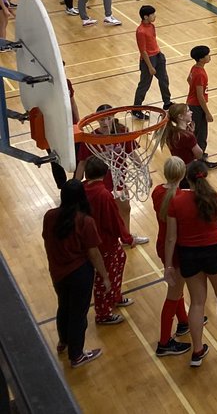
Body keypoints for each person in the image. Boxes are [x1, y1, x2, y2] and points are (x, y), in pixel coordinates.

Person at [164, 160, 217, 366]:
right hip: (214, 253)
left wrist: (168, 265)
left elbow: (171, 238)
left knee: (197, 303)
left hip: (188, 256)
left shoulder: (176, 202)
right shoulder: (216, 198)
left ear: (187, 178)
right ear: (205, 175)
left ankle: (197, 351)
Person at [43, 179, 108, 368]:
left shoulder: (49, 216)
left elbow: (47, 239)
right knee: (78, 314)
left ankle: (63, 341)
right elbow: (94, 253)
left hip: (57, 271)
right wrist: (105, 276)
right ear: (82, 197)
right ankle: (77, 355)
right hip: (79, 273)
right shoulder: (85, 221)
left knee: (63, 306)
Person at [82, 156, 132, 326]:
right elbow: (114, 219)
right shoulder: (103, 194)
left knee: (121, 259)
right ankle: (103, 314)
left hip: (94, 240)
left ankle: (115, 296)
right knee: (105, 276)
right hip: (104, 242)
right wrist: (126, 236)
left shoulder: (83, 189)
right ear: (105, 174)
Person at [151, 156, 191, 356]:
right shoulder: (180, 198)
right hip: (174, 249)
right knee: (173, 294)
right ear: (183, 174)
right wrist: (168, 265)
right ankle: (164, 342)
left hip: (163, 244)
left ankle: (184, 322)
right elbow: (173, 236)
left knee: (177, 287)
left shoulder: (157, 191)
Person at [132, 4, 170, 119]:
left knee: (164, 80)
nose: (154, 16)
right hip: (148, 60)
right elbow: (143, 51)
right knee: (144, 85)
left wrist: (159, 54)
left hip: (158, 56)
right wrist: (150, 66)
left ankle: (167, 102)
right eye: (152, 14)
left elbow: (153, 41)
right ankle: (136, 109)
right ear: (145, 16)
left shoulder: (152, 26)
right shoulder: (140, 31)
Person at [186, 45, 217, 165]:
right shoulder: (200, 74)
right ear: (201, 59)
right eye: (207, 55)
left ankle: (197, 156)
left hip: (191, 103)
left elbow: (188, 80)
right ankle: (200, 161)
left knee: (196, 131)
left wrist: (193, 89)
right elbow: (200, 96)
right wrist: (207, 113)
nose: (209, 56)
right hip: (197, 106)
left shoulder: (195, 68)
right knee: (201, 134)